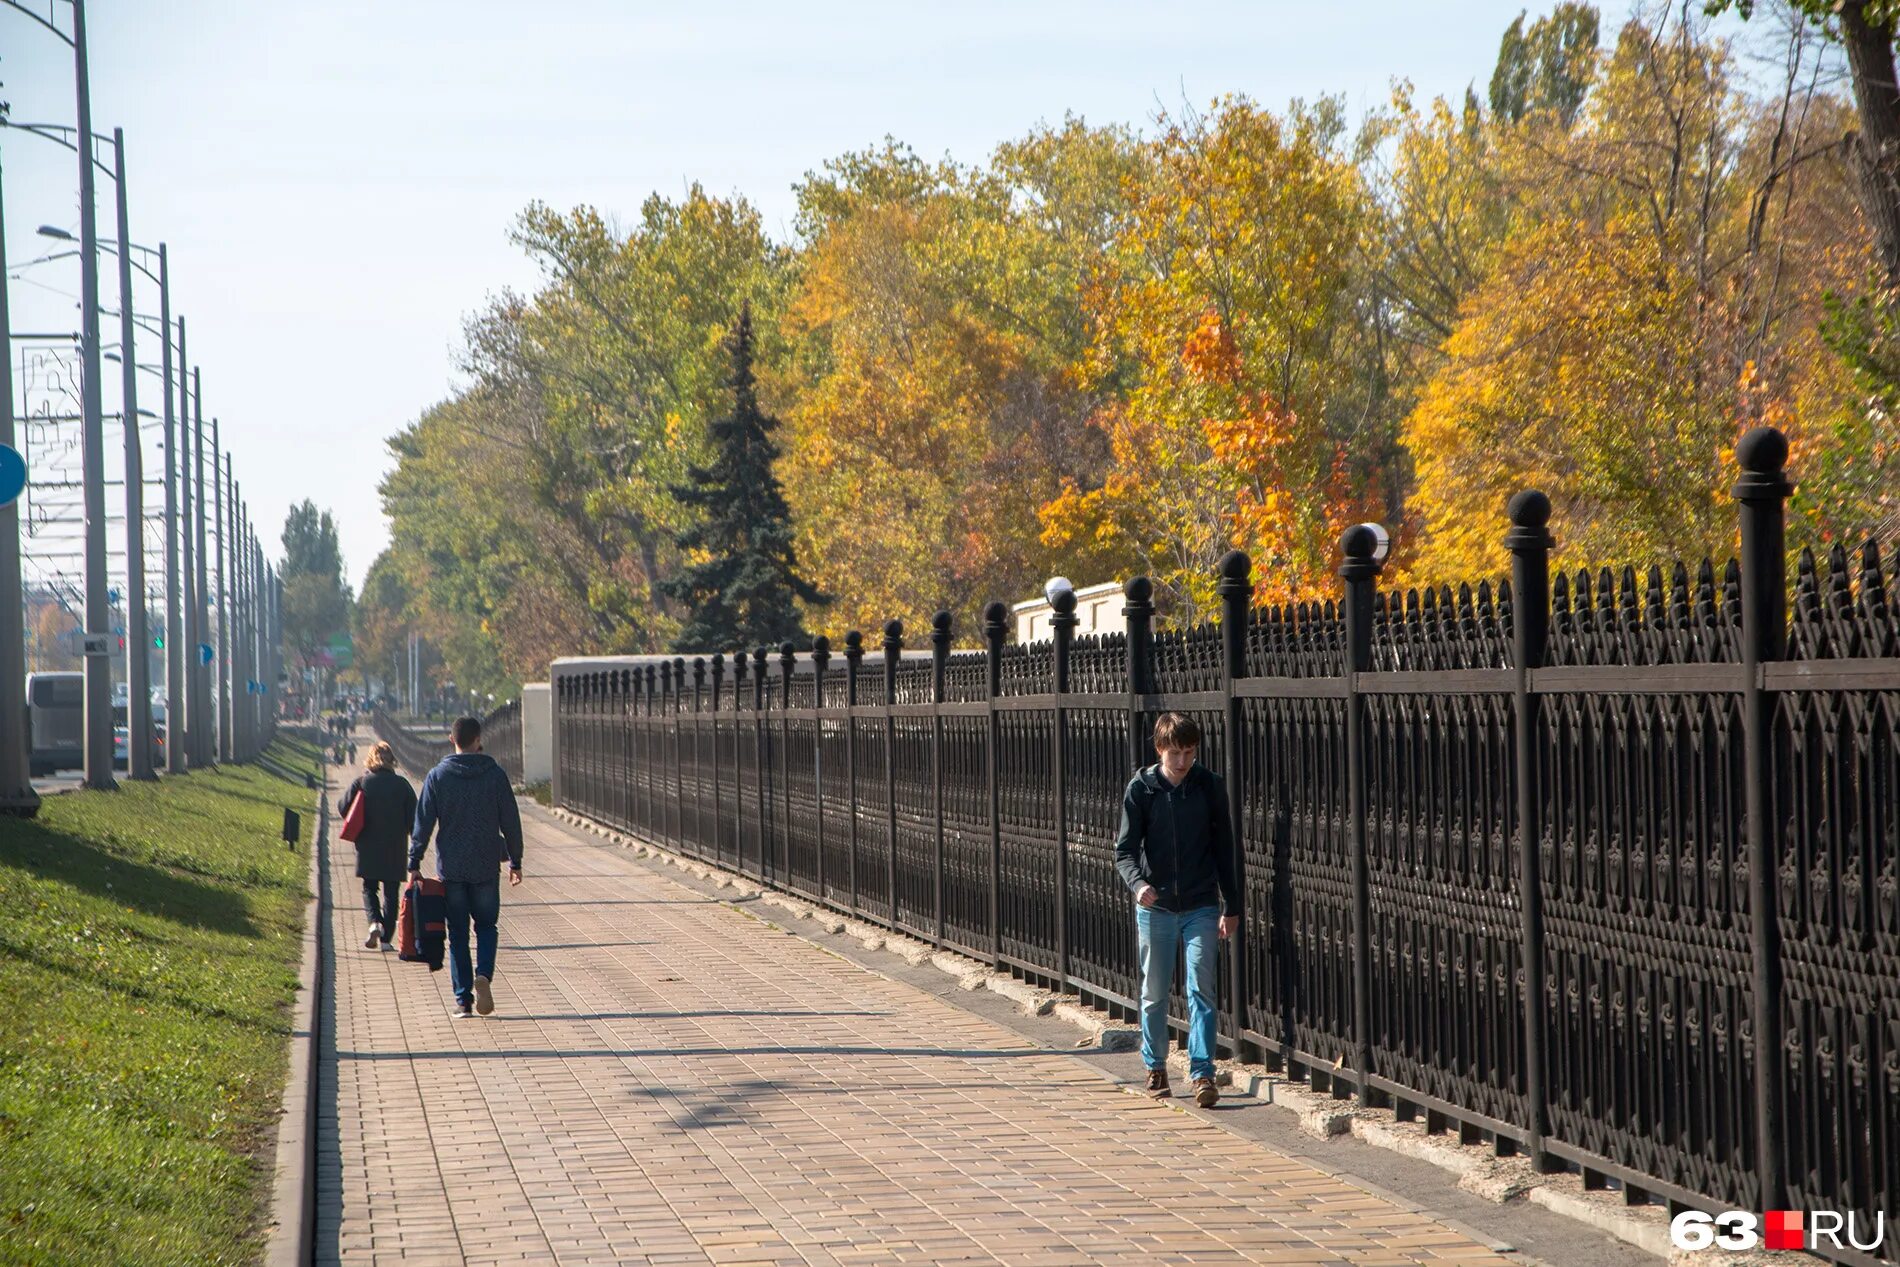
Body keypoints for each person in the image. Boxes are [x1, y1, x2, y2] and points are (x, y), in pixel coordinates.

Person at [1113, 712, 1241, 1107]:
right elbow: (1124, 851)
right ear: (1159, 750)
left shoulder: (1209, 786)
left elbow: (1226, 849)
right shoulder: (1142, 789)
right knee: (1154, 991)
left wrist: (1232, 905)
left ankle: (1203, 1073)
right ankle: (1156, 1067)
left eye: (1189, 753)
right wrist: (1138, 885)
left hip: (1202, 903)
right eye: (1175, 754)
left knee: (1201, 987)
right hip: (1157, 907)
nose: (1183, 762)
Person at [408, 715, 524, 1019]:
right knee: (486, 926)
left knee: (457, 932)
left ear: (452, 740)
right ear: (478, 740)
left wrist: (414, 861)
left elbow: (423, 823)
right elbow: (510, 820)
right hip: (486, 865)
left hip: (452, 868)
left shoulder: (437, 777)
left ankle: (463, 1000)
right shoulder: (495, 775)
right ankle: (483, 973)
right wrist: (516, 860)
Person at [338, 741, 417, 949]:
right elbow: (414, 819)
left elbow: (342, 807)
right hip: (395, 848)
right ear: (391, 760)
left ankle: (374, 922)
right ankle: (385, 940)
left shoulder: (362, 782)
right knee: (391, 894)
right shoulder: (402, 785)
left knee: (369, 888)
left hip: (367, 845)